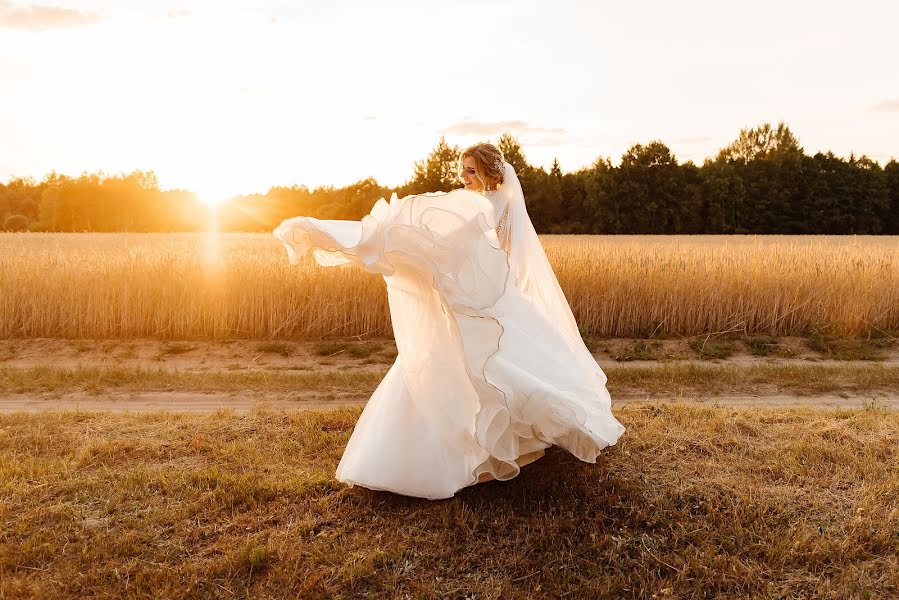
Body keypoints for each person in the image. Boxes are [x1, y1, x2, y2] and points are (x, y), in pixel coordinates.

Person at [273, 142, 625, 500]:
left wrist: (406, 241)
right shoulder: (488, 203)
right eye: (463, 171)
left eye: (472, 171)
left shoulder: (485, 204)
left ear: (491, 171)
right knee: (469, 365)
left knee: (480, 367)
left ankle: (463, 452)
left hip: (477, 299)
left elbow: (460, 245)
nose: (465, 178)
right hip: (475, 295)